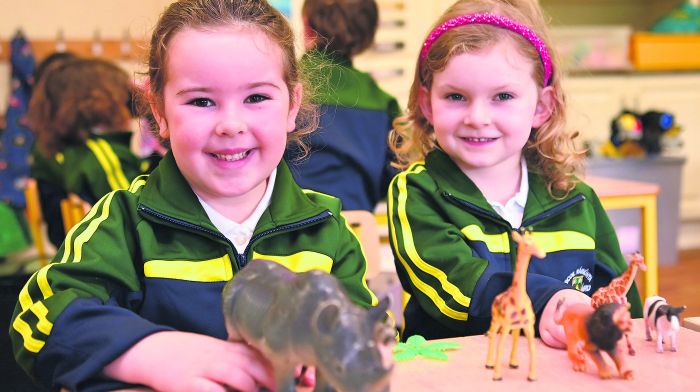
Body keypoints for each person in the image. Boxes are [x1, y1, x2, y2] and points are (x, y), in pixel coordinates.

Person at [10, 0, 377, 391]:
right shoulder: (124, 222)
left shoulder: (327, 228)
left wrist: (331, 349)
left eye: (256, 98)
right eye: (201, 101)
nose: (231, 125)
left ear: (293, 105)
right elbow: (37, 320)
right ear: (160, 111)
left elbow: (365, 335)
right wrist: (151, 352)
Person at [387, 0, 642, 346]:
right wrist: (546, 300)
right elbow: (455, 286)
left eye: (502, 96)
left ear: (541, 106)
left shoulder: (577, 200)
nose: (477, 116)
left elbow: (620, 303)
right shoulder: (416, 192)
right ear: (426, 102)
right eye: (456, 96)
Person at [285, 0, 400, 211]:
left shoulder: (282, 87)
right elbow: (394, 179)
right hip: (354, 230)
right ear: (370, 34)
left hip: (284, 228)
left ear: (306, 25)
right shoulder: (383, 103)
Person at [28, 57, 143, 207]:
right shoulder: (102, 156)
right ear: (104, 103)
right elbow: (137, 209)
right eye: (125, 99)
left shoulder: (75, 152)